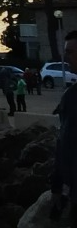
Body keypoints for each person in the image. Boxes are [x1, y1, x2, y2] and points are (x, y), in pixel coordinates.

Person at [51, 30, 77, 222]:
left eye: (70, 52)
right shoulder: (69, 96)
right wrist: (57, 186)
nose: (65, 57)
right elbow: (63, 142)